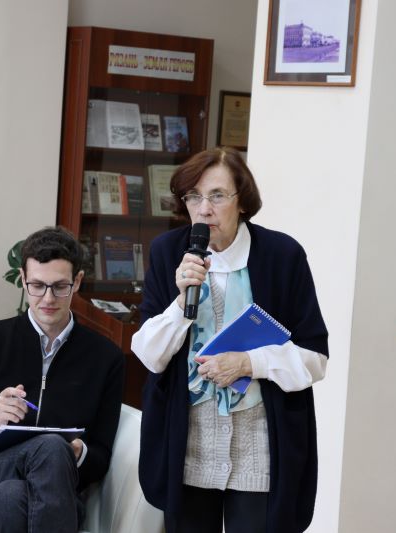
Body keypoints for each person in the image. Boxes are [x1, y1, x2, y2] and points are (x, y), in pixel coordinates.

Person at [131, 147, 328, 533]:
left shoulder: (282, 255)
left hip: (258, 446)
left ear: (243, 202)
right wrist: (179, 301)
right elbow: (150, 356)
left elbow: (314, 359)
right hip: (188, 445)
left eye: (217, 196)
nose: (204, 209)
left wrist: (249, 363)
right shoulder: (168, 251)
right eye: (193, 196)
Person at [0, 227, 125, 532]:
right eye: (37, 286)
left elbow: (101, 457)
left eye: (60, 286)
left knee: (11, 497)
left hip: (56, 493)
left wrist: (78, 453)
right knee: (50, 447)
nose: (48, 298)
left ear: (77, 281)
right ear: (23, 280)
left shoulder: (106, 358)